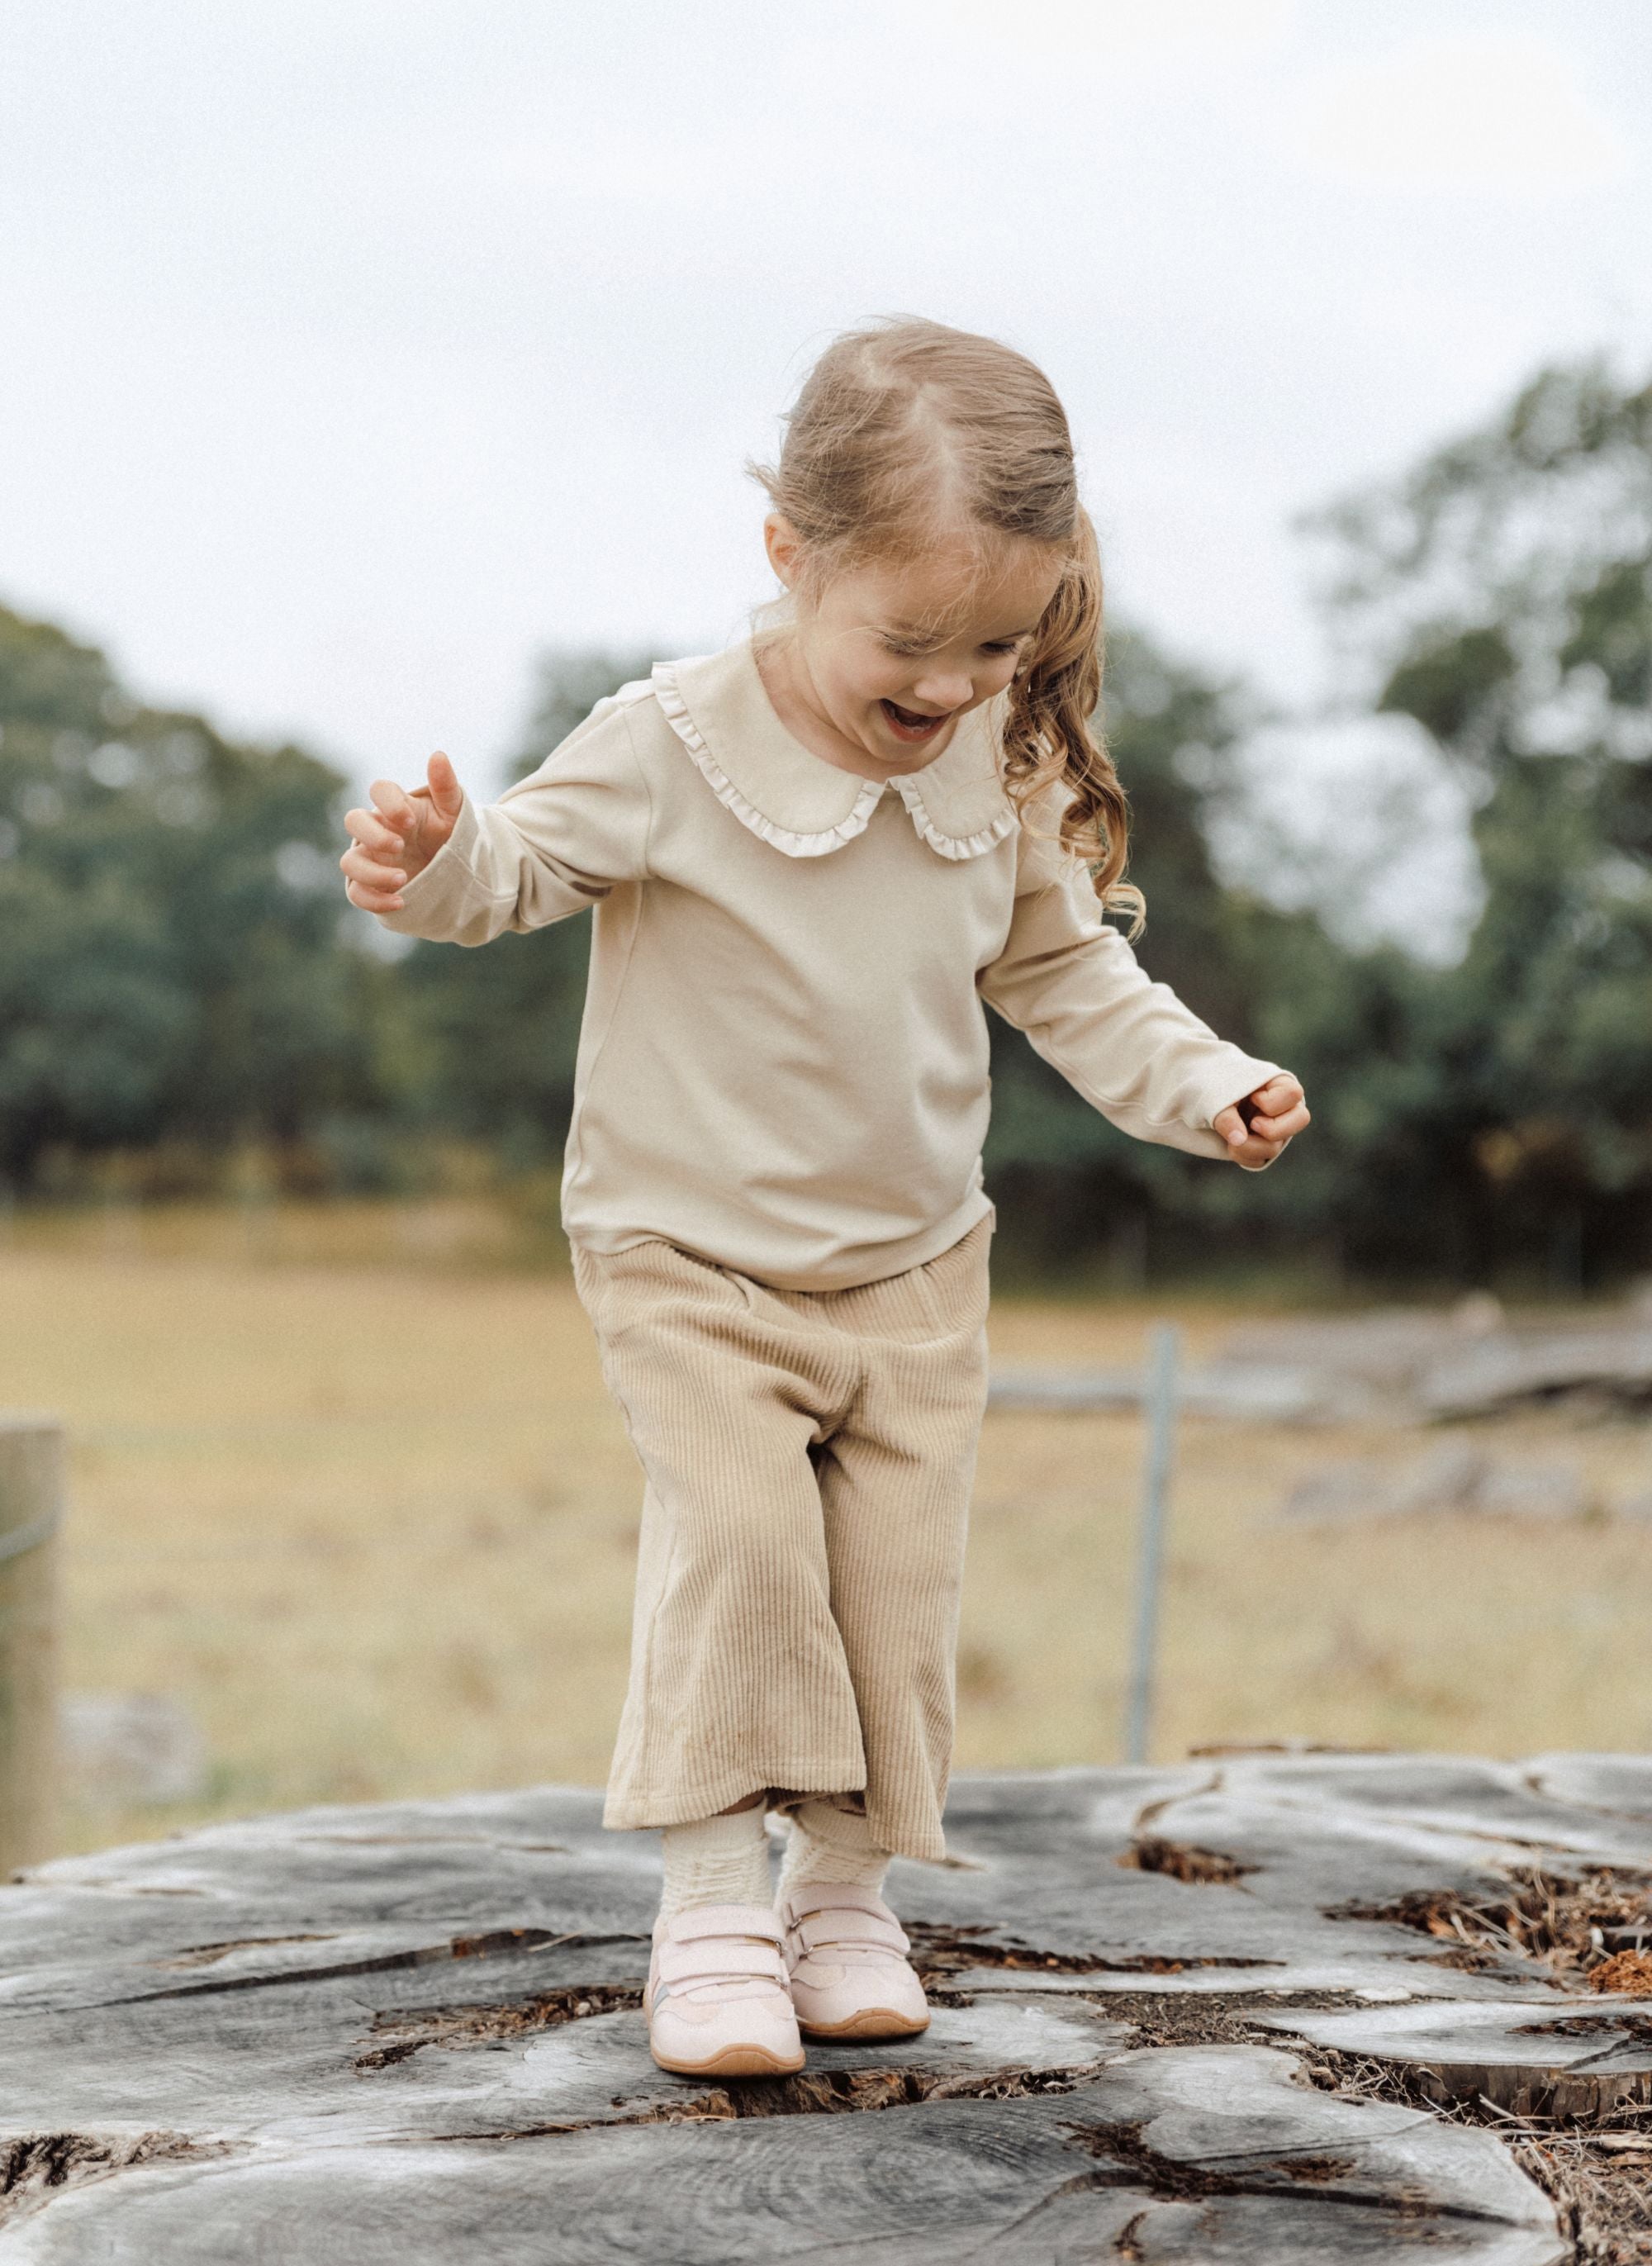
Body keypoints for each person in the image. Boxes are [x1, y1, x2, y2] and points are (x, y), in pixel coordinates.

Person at [340, 317, 1309, 2080]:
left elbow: (1064, 970)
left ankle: (843, 1896)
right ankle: (712, 1907)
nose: (951, 684)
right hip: (686, 1251)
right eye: (910, 639)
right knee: (743, 1550)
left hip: (917, 1263)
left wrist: (1201, 1083)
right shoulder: (670, 739)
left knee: (889, 1588)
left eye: (999, 641)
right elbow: (523, 868)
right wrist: (436, 867)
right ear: (790, 557)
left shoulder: (993, 756)